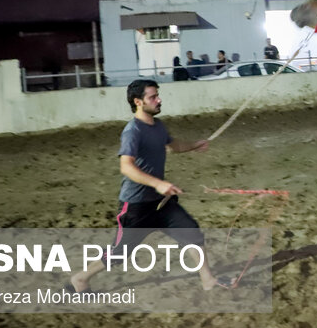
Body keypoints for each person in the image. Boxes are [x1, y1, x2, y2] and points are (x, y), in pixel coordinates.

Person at [68, 79, 230, 292]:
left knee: (192, 233)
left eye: (157, 95)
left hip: (161, 202)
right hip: (136, 206)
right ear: (138, 102)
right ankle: (80, 278)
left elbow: (173, 146)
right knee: (120, 253)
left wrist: (195, 144)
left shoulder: (158, 126)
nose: (158, 99)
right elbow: (126, 167)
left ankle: (208, 279)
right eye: (153, 97)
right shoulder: (132, 130)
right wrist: (159, 183)